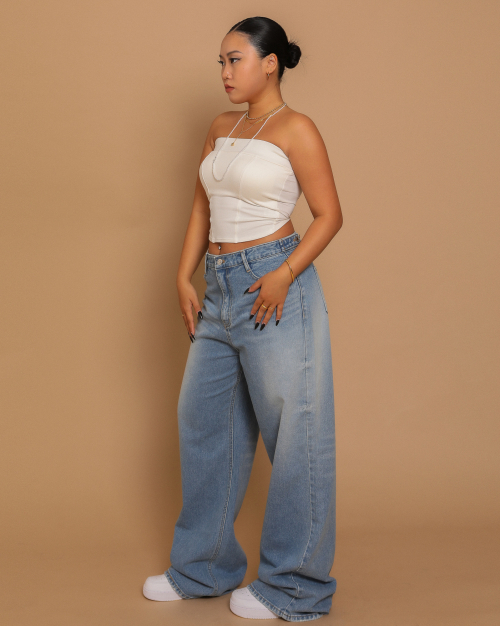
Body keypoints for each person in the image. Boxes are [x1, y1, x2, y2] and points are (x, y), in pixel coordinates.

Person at [143, 15, 343, 622]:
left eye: (236, 60)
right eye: (222, 62)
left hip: (273, 284)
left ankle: (295, 587)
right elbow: (201, 207)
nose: (226, 72)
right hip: (220, 287)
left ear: (270, 63)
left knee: (296, 435)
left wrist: (285, 273)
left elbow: (329, 215)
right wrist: (184, 275)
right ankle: (201, 569)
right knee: (204, 425)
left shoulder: (297, 128)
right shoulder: (221, 126)